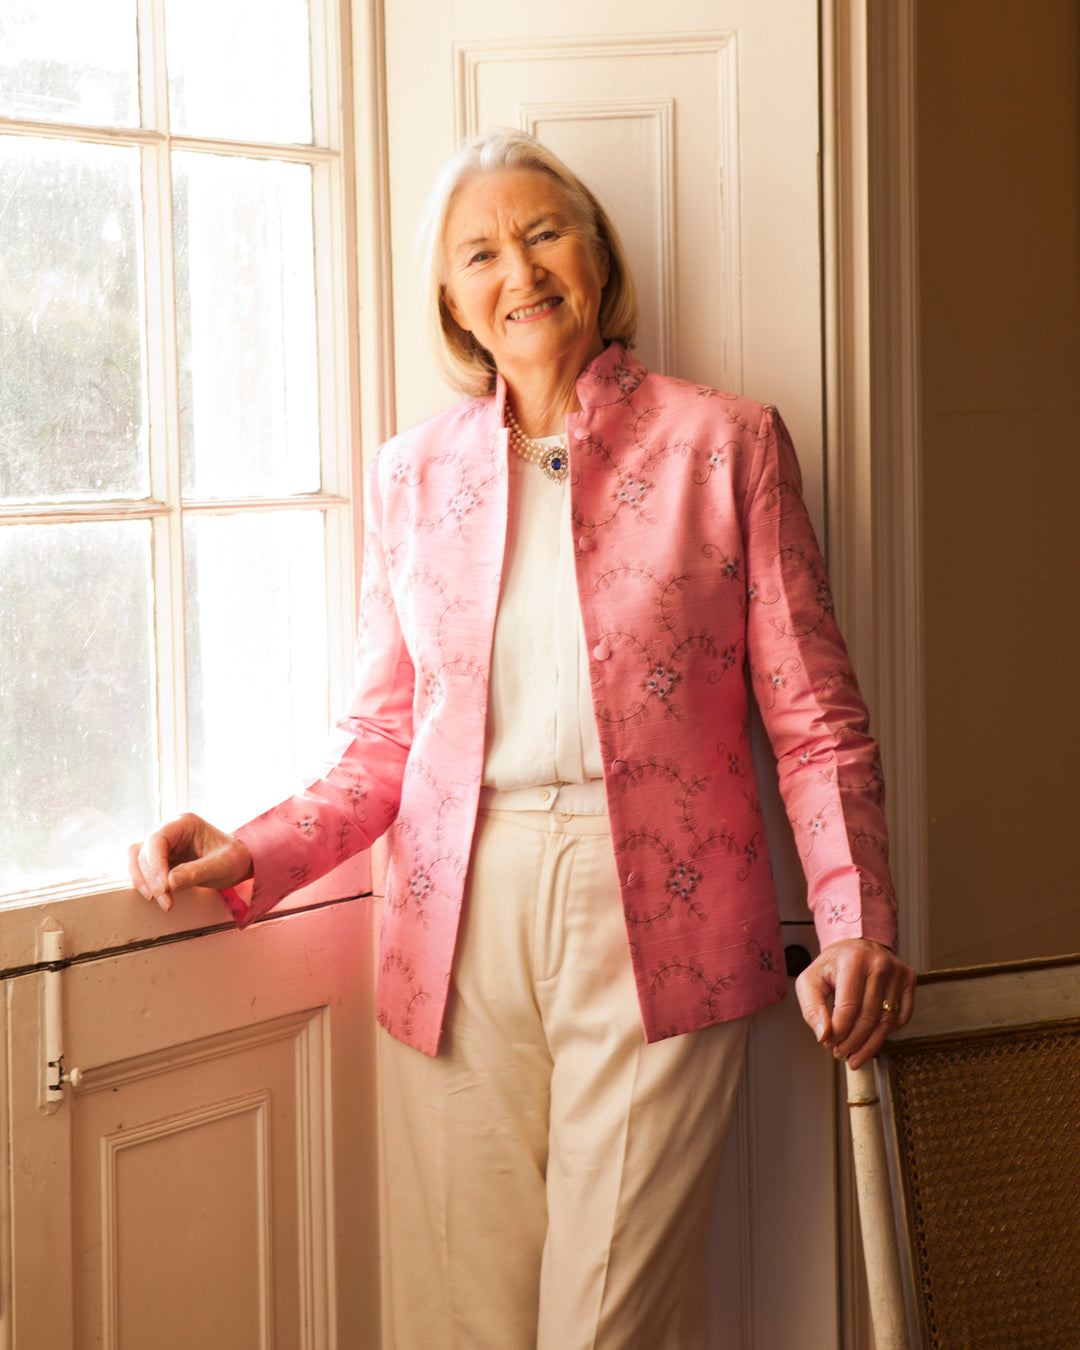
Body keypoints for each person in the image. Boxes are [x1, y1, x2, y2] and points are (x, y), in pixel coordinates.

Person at [129, 129, 916, 1349]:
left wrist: (856, 920)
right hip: (453, 915)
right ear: (453, 301)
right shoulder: (408, 476)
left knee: (609, 1324)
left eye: (546, 233)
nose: (522, 269)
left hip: (667, 912)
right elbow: (384, 738)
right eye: (481, 252)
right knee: (469, 1321)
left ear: (599, 257)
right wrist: (255, 850)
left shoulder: (728, 444)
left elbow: (813, 720)